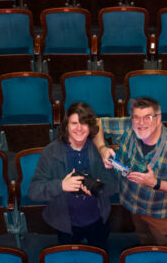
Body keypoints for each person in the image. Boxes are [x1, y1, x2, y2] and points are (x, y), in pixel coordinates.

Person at [92, 96, 167, 248]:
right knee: (144, 239)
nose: (141, 123)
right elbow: (96, 123)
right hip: (134, 204)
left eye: (148, 117)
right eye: (136, 117)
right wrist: (101, 148)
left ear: (159, 119)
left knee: (166, 248)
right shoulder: (127, 126)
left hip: (159, 212)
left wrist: (155, 183)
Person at [28, 101, 116, 250]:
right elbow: (34, 191)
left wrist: (99, 186)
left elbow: (114, 185)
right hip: (66, 222)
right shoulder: (51, 152)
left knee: (101, 253)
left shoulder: (100, 150)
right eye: (74, 123)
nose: (79, 128)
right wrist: (61, 185)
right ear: (66, 126)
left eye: (84, 123)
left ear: (91, 127)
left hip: (98, 218)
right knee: (71, 260)